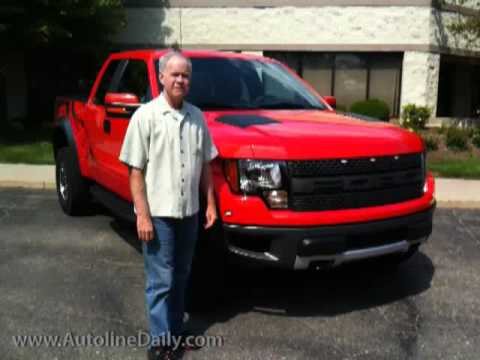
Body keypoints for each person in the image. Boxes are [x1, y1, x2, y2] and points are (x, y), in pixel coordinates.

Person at [119, 50, 218, 360]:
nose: (180, 80)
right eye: (174, 74)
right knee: (161, 280)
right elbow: (135, 171)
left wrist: (210, 204)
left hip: (189, 213)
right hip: (158, 216)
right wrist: (143, 216)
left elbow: (205, 165)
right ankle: (159, 343)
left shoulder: (197, 117)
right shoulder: (145, 116)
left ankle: (175, 333)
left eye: (185, 75)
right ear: (161, 77)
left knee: (181, 276)